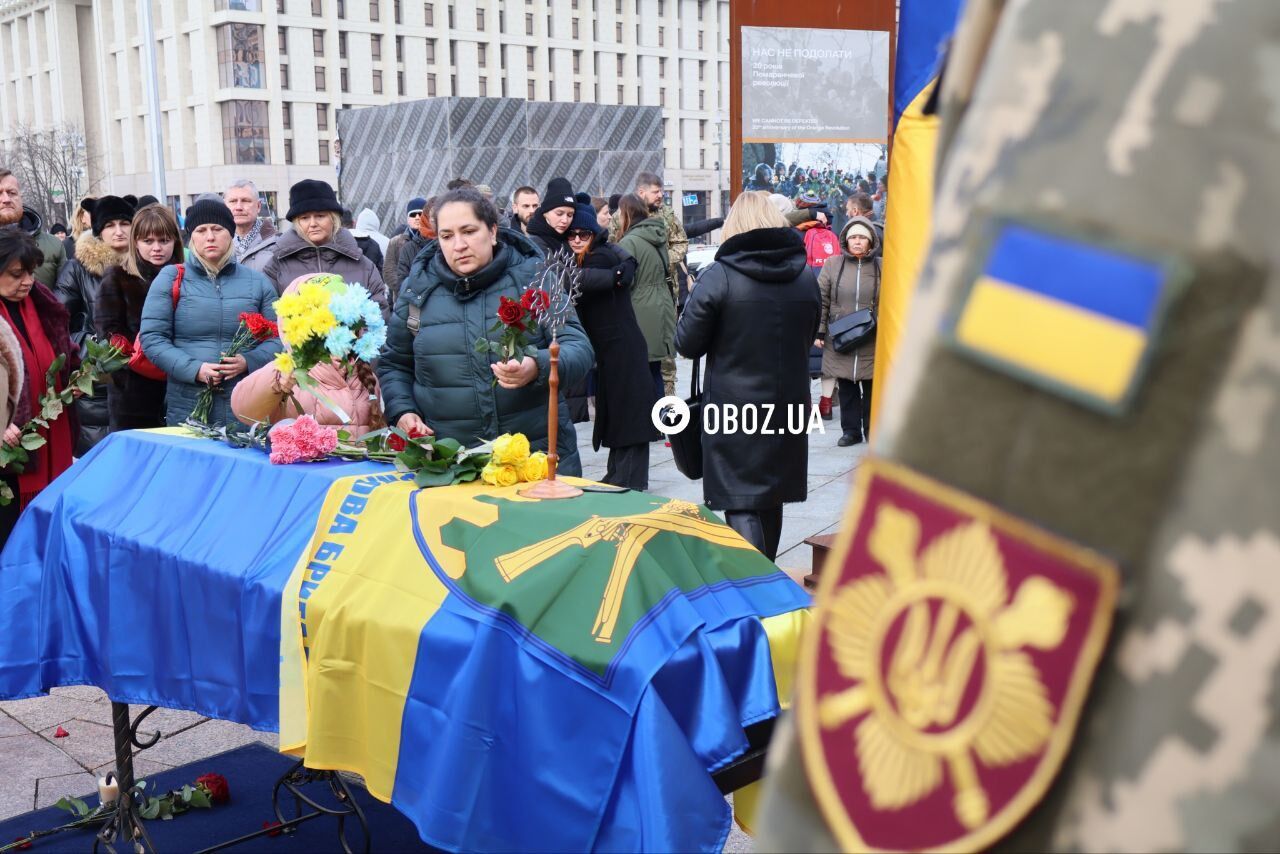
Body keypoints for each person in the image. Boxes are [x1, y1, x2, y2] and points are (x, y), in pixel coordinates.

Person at [378, 188, 593, 474]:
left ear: (492, 232)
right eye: (447, 236)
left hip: (534, 459)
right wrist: (403, 411)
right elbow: (394, 363)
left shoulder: (535, 277)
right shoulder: (417, 290)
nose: (459, 245)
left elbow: (578, 348)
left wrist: (537, 367)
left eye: (468, 231)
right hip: (452, 465)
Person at [674, 191, 818, 561]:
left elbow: (687, 343)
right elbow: (809, 332)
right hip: (789, 406)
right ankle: (767, 577)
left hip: (733, 408)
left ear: (734, 225)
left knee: (741, 498)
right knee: (771, 496)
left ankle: (755, 586)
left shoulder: (720, 276)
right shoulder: (804, 276)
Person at [139, 198, 282, 428]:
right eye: (201, 230)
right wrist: (195, 369)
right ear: (191, 237)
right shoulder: (171, 278)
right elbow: (153, 339)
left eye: (217, 229)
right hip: (188, 406)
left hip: (246, 406)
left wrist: (248, 361)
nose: (210, 237)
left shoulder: (257, 282)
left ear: (231, 233)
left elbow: (280, 337)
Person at [566, 201, 656, 490]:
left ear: (594, 234)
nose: (577, 239)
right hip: (616, 347)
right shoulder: (599, 256)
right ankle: (619, 474)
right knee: (621, 412)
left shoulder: (600, 258)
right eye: (572, 235)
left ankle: (628, 479)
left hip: (622, 347)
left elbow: (579, 281)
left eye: (584, 234)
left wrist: (618, 271)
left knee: (628, 414)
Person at [231, 274, 384, 437]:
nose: (336, 328)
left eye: (344, 321)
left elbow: (377, 431)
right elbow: (243, 408)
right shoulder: (293, 371)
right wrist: (276, 380)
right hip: (306, 461)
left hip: (355, 462)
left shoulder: (362, 374)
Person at [0, 229, 76, 543]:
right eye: (17, 274)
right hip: (10, 449)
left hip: (48, 432)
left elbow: (61, 353)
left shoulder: (42, 306)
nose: (28, 281)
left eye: (31, 272)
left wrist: (73, 379)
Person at [55, 194, 134, 455]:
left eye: (125, 223)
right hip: (97, 387)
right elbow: (58, 328)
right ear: (98, 229)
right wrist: (105, 351)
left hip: (144, 385)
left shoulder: (149, 264)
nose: (119, 231)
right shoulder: (76, 270)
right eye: (110, 225)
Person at [243, 179, 390, 319]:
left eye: (320, 216)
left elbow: (378, 311)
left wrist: (354, 338)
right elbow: (267, 313)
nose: (312, 223)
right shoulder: (277, 265)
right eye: (305, 218)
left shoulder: (362, 264)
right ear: (297, 222)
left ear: (334, 219)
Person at [96, 204, 182, 431]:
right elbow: (109, 335)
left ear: (175, 241)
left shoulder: (187, 277)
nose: (157, 248)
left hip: (182, 386)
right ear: (135, 242)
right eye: (148, 241)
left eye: (164, 240)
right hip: (133, 394)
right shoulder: (117, 277)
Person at [816, 217, 880, 446]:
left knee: (872, 386)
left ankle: (872, 430)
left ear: (871, 241)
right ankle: (850, 431)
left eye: (862, 237)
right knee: (846, 386)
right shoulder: (833, 264)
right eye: (853, 237)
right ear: (846, 240)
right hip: (840, 335)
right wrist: (820, 332)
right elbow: (821, 299)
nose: (857, 241)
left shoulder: (882, 266)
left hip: (872, 336)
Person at [615, 194, 673, 406]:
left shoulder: (629, 241)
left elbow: (626, 280)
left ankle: (650, 422)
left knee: (642, 372)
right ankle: (660, 421)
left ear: (626, 214)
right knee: (654, 369)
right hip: (662, 304)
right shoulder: (657, 235)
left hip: (640, 307)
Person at [633, 172, 687, 396]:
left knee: (666, 356)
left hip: (666, 291)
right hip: (636, 295)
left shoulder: (667, 214)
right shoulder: (625, 215)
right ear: (641, 192)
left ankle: (668, 406)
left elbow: (681, 243)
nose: (660, 195)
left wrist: (664, 260)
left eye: (661, 191)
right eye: (656, 192)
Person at [0, 169, 66, 288]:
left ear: (21, 197)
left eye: (11, 193)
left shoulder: (54, 246)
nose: (6, 199)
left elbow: (67, 294)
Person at [382, 196, 426, 296]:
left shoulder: (433, 240)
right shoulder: (395, 242)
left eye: (420, 214)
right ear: (407, 218)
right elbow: (388, 271)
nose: (417, 217)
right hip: (403, 297)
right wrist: (406, 288)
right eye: (413, 214)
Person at [225, 179, 277, 261]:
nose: (238, 207)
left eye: (245, 201)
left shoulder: (278, 244)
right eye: (233, 201)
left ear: (258, 206)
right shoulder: (217, 244)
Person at [525, 177, 576, 257]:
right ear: (545, 213)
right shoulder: (536, 243)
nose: (565, 220)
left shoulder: (572, 238)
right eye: (559, 214)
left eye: (570, 215)